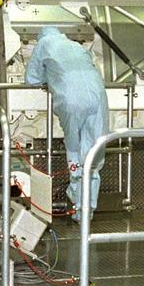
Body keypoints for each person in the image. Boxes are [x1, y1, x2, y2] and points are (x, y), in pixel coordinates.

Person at [24, 26, 109, 220]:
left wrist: (50, 77)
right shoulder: (76, 46)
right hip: (98, 95)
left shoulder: (44, 44)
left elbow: (31, 78)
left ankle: (78, 202)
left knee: (75, 149)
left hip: (71, 98)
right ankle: (88, 210)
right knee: (93, 152)